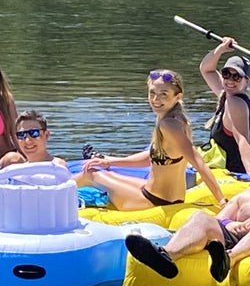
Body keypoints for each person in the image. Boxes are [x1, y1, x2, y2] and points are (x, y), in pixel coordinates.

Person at [124, 135, 250, 282]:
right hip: (237, 239)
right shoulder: (246, 196)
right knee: (201, 217)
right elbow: (218, 221)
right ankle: (167, 255)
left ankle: (228, 261)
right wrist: (236, 225)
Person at [72, 69, 226, 211]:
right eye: (152, 93)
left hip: (155, 201)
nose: (155, 99)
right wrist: (109, 161)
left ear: (177, 97)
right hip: (158, 194)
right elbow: (152, 157)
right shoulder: (175, 119)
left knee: (91, 173)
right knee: (104, 170)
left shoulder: (168, 125)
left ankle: (54, 191)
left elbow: (198, 162)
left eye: (163, 94)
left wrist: (222, 202)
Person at [199, 39, 250, 177]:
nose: (230, 80)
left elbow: (243, 139)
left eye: (237, 76)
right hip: (221, 168)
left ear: (246, 82)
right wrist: (220, 49)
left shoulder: (236, 103)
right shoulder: (225, 94)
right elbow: (206, 69)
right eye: (226, 74)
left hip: (233, 173)